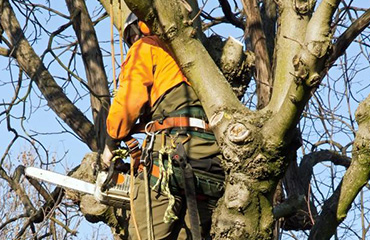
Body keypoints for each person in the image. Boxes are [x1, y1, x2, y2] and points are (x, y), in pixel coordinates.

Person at [102, 13, 224, 240]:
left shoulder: (147, 48)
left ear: (138, 29)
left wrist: (110, 146)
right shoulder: (199, 58)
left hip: (170, 163)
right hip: (212, 171)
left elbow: (126, 105)